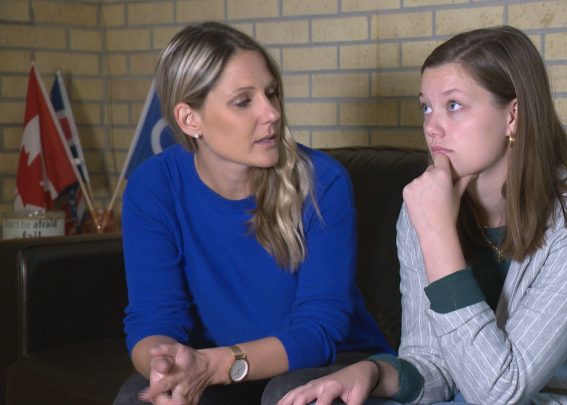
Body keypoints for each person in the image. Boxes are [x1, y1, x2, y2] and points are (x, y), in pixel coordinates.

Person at [278, 25, 567, 405]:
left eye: (453, 106)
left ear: (513, 116)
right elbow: (433, 365)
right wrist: (374, 372)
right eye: (426, 107)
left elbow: (501, 392)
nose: (432, 127)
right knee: (294, 395)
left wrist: (438, 236)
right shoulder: (422, 207)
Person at [113, 21, 392, 405]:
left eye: (271, 93)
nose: (272, 113)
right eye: (244, 101)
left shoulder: (323, 182)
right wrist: (166, 369)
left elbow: (319, 330)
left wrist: (213, 366)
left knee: (286, 394)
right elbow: (154, 318)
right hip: (217, 365)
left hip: (328, 362)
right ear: (190, 119)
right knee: (139, 396)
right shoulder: (152, 186)